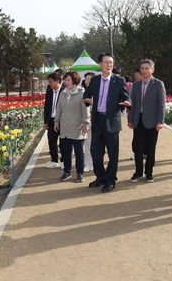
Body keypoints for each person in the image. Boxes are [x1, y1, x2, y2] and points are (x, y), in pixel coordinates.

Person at [82, 53, 131, 193]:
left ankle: (110, 180)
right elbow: (87, 93)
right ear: (100, 64)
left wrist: (129, 102)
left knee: (112, 153)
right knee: (95, 151)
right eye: (106, 62)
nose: (109, 65)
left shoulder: (119, 81)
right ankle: (101, 177)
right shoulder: (95, 80)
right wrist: (86, 99)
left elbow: (126, 95)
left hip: (112, 122)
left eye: (111, 62)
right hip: (97, 120)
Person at [127, 59, 166, 183]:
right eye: (142, 68)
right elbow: (132, 104)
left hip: (152, 121)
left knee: (150, 148)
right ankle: (138, 172)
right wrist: (130, 119)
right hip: (138, 120)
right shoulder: (136, 85)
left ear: (152, 70)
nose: (144, 71)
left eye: (146, 68)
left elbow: (161, 105)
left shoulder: (158, 84)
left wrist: (160, 121)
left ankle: (149, 172)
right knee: (137, 148)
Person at [54, 72, 90, 183]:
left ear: (74, 81)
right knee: (66, 151)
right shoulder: (62, 93)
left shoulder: (81, 93)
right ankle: (67, 172)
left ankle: (79, 173)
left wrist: (86, 123)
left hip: (78, 127)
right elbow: (59, 109)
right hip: (65, 127)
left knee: (79, 153)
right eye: (65, 80)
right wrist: (56, 122)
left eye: (68, 80)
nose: (66, 82)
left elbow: (85, 111)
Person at [43, 72, 64, 168]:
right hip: (51, 120)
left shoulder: (64, 91)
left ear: (57, 81)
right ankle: (54, 160)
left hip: (62, 120)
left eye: (51, 81)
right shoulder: (49, 92)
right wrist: (46, 122)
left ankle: (64, 160)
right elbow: (46, 107)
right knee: (51, 141)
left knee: (63, 141)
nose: (49, 83)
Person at [80, 72, 96, 172]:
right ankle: (88, 163)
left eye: (90, 79)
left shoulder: (97, 93)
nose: (87, 81)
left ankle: (95, 163)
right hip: (87, 122)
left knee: (96, 145)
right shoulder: (82, 93)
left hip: (97, 122)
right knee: (87, 144)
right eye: (86, 79)